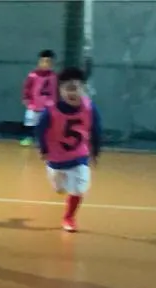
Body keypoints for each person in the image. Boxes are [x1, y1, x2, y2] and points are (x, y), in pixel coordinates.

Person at [35, 67, 102, 232]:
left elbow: (96, 129)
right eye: (67, 89)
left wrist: (95, 151)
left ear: (83, 88)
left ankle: (69, 218)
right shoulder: (50, 111)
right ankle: (60, 179)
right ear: (60, 90)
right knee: (60, 189)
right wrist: (43, 149)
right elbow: (40, 130)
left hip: (79, 155)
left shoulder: (90, 108)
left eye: (75, 88)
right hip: (56, 158)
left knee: (79, 188)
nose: (72, 93)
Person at [21, 50, 58, 146]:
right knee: (30, 121)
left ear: (52, 64)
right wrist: (26, 98)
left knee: (46, 124)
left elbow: (57, 90)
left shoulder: (54, 76)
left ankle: (44, 140)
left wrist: (56, 102)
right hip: (34, 104)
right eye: (42, 61)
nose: (45, 64)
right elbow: (27, 87)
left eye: (48, 62)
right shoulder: (32, 75)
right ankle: (28, 137)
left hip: (49, 105)